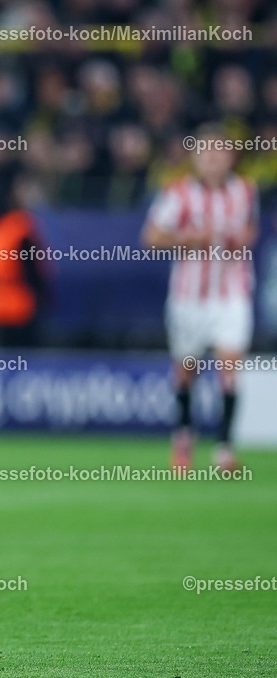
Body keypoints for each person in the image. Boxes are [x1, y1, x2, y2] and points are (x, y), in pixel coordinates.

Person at [142, 124, 257, 472]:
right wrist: (189, 238)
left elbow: (250, 231)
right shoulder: (178, 193)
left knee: (229, 367)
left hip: (231, 292)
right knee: (186, 370)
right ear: (195, 158)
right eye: (205, 153)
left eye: (219, 153)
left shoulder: (245, 191)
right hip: (188, 297)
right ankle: (183, 436)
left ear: (230, 158)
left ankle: (224, 448)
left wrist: (241, 239)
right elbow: (151, 237)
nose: (212, 160)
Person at [0, 175, 49, 347]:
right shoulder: (21, 230)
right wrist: (44, 297)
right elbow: (32, 272)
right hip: (20, 310)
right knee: (22, 358)